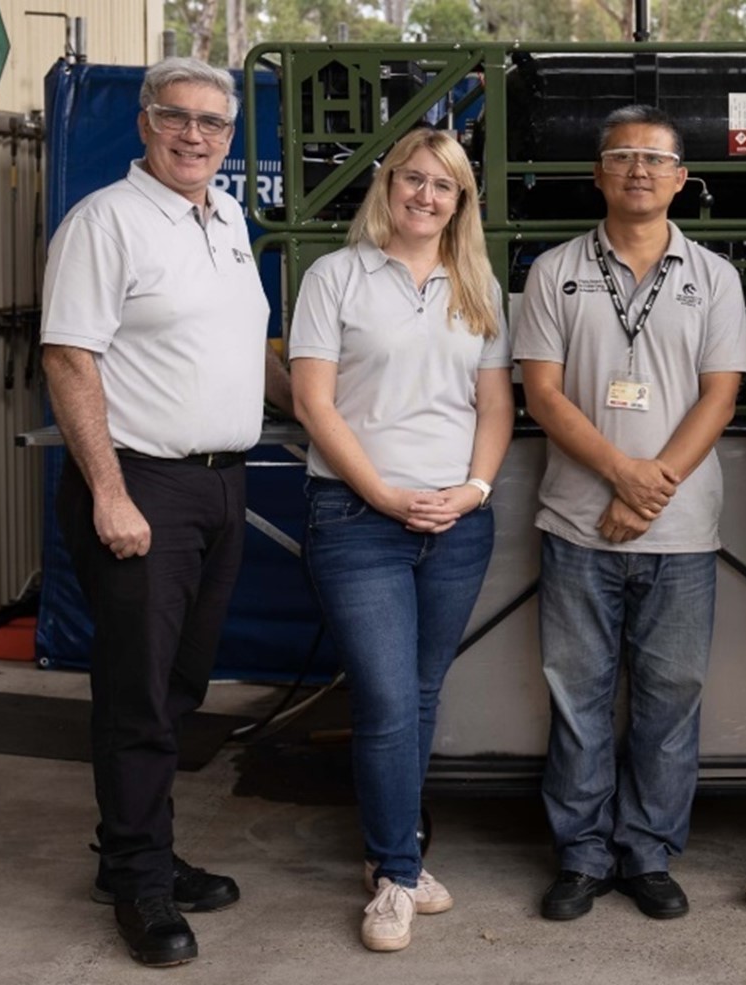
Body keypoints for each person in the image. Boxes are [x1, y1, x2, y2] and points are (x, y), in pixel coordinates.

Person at [41, 57, 290, 967]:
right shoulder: (104, 222)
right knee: (138, 694)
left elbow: (244, 348)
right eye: (177, 118)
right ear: (145, 124)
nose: (196, 136)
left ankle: (133, 850)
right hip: (144, 483)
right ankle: (141, 885)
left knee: (180, 684)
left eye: (213, 124)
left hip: (225, 480)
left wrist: (325, 410)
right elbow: (69, 359)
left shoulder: (226, 216)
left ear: (230, 137)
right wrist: (109, 491)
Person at [514, 104, 746, 922]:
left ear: (682, 179)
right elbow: (541, 393)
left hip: (682, 530)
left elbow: (722, 394)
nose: (639, 170)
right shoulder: (553, 271)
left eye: (656, 159)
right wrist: (622, 474)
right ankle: (581, 854)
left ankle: (648, 851)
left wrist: (654, 486)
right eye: (622, 156)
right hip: (577, 523)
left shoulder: (714, 276)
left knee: (671, 695)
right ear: (598, 174)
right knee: (577, 695)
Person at [289, 128, 514, 953]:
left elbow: (495, 407)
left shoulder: (477, 284)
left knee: (419, 696)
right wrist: (380, 491)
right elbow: (315, 402)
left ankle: (396, 857)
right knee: (385, 699)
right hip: (357, 517)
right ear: (386, 185)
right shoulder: (335, 277)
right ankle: (394, 869)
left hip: (457, 523)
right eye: (412, 179)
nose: (425, 195)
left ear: (461, 203)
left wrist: (475, 489)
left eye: (443, 186)